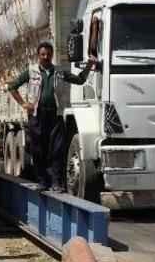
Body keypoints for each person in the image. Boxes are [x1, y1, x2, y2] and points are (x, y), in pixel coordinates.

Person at [8, 41, 97, 192]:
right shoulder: (31, 72)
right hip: (37, 115)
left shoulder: (59, 72)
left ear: (52, 55)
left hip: (55, 115)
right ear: (38, 56)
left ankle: (56, 183)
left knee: (57, 149)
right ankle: (42, 181)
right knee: (38, 149)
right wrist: (24, 104)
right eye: (43, 54)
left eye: (48, 54)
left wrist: (88, 66)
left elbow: (80, 80)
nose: (46, 57)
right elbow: (12, 86)